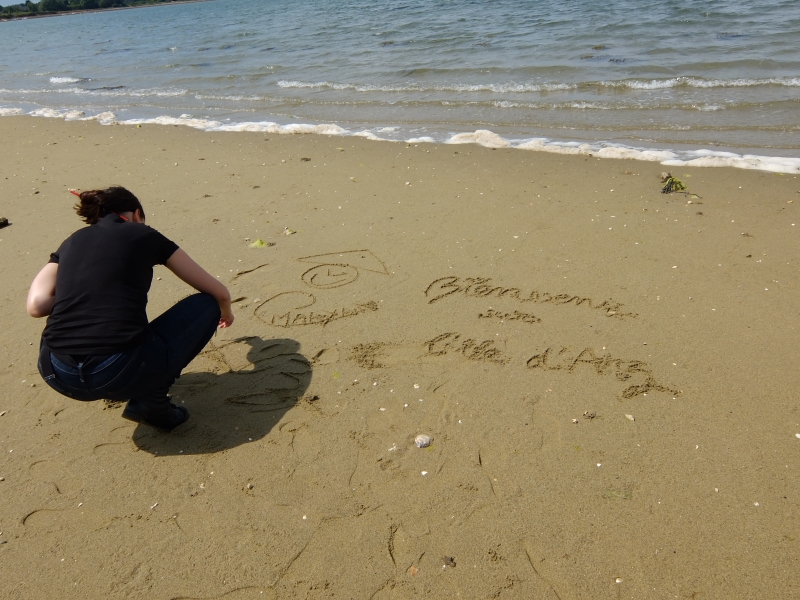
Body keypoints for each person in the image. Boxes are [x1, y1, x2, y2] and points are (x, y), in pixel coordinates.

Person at [27, 186, 234, 432]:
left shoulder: (71, 242)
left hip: (58, 374)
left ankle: (121, 380)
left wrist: (83, 293)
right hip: (119, 369)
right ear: (136, 214)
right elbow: (219, 293)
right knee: (207, 304)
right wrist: (226, 312)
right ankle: (152, 400)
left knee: (65, 325)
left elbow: (36, 306)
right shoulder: (143, 234)